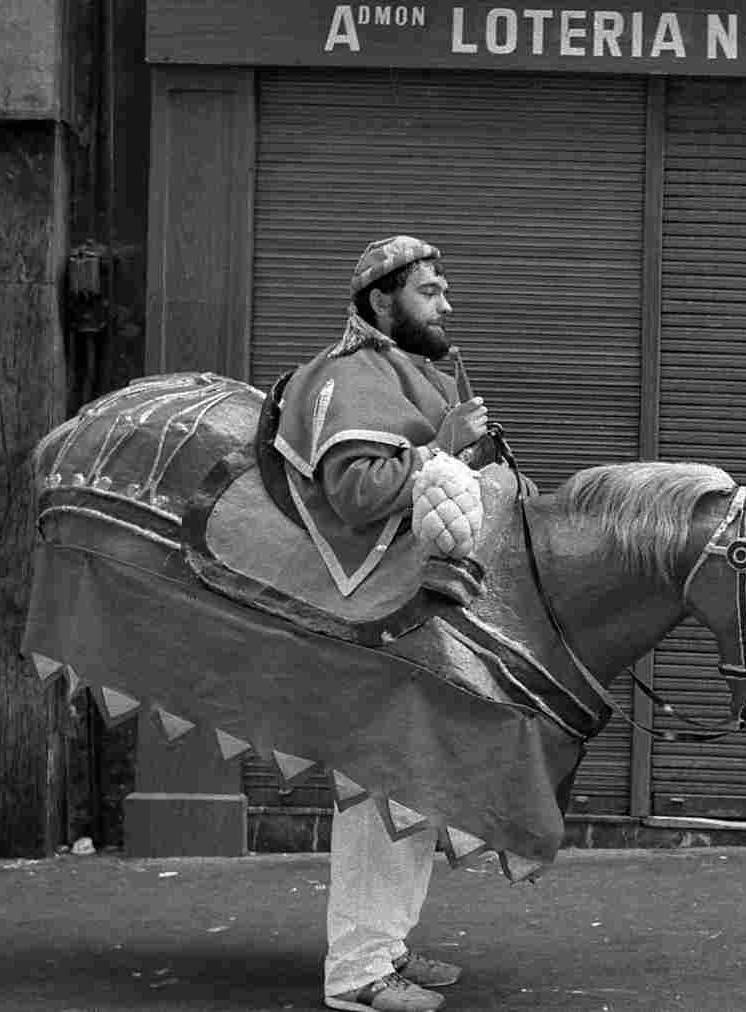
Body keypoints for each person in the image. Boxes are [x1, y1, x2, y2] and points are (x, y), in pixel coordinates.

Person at [272, 235, 490, 1012]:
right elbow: (356, 494)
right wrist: (447, 444)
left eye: (443, 287)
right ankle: (358, 976)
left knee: (416, 783)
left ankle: (385, 948)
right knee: (381, 783)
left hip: (418, 619)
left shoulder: (418, 373)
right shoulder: (349, 376)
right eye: (429, 290)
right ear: (380, 301)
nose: (446, 303)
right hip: (363, 621)